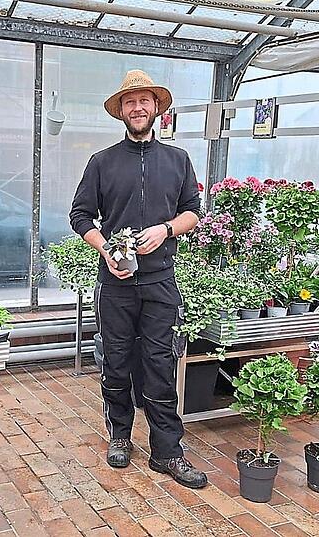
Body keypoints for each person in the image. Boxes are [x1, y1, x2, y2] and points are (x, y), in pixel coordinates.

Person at [69, 70, 206, 489]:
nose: (138, 108)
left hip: (161, 280)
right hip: (116, 283)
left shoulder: (178, 160)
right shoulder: (103, 162)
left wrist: (165, 230)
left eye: (144, 101)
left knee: (161, 366)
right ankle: (120, 437)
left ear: (157, 108)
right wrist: (105, 248)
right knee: (116, 362)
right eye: (130, 102)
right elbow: (80, 215)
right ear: (122, 112)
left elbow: (193, 211)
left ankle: (167, 452)